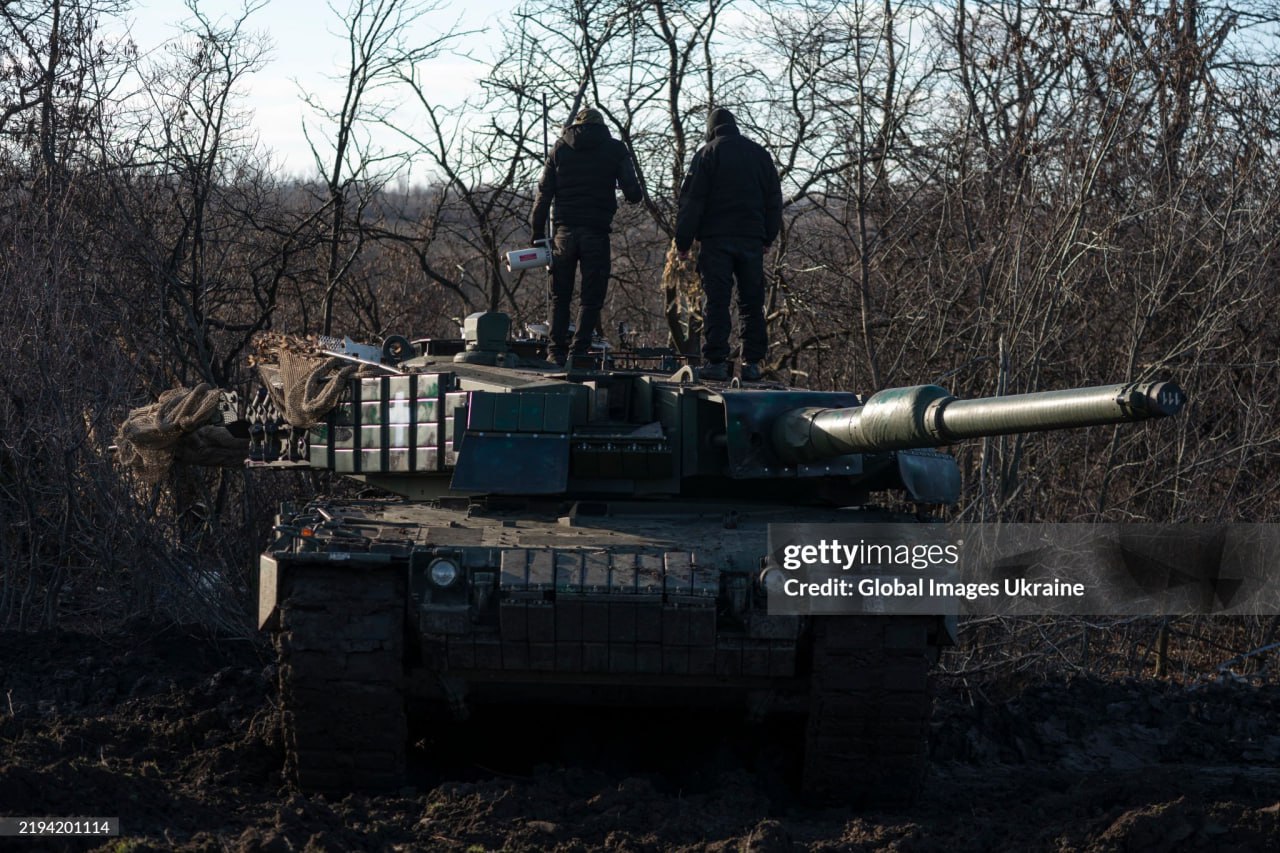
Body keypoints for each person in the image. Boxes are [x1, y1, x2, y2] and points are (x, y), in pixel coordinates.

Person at [675, 107, 782, 382]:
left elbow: (692, 203)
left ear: (711, 130)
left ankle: (716, 361)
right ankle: (753, 363)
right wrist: (768, 237)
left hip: (716, 239)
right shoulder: (760, 155)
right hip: (751, 240)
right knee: (751, 302)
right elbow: (773, 201)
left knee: (717, 300)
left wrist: (683, 242)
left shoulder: (707, 155)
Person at [531, 107, 644, 365]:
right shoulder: (615, 149)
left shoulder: (560, 148)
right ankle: (579, 351)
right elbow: (634, 193)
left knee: (560, 295)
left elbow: (543, 194)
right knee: (591, 297)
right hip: (596, 231)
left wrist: (537, 233)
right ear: (602, 125)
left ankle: (555, 352)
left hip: (563, 234)